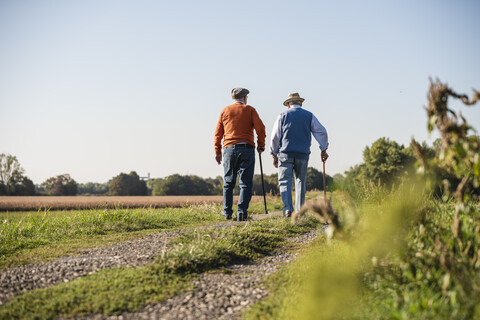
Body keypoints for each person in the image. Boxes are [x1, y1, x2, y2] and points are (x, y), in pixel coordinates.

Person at [270, 92, 329, 217]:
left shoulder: (282, 115)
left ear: (288, 105)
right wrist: (323, 149)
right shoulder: (309, 115)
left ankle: (287, 209)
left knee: (285, 181)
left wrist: (274, 153)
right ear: (300, 103)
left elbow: (275, 136)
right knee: (300, 181)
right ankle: (300, 211)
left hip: (285, 153)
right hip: (302, 154)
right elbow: (322, 132)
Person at [214, 88, 266, 221]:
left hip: (229, 149)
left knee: (228, 182)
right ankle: (241, 213)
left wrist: (218, 151)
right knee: (245, 183)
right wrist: (261, 145)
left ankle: (227, 213)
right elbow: (261, 128)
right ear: (245, 97)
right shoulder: (250, 110)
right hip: (246, 148)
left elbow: (218, 133)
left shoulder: (225, 110)